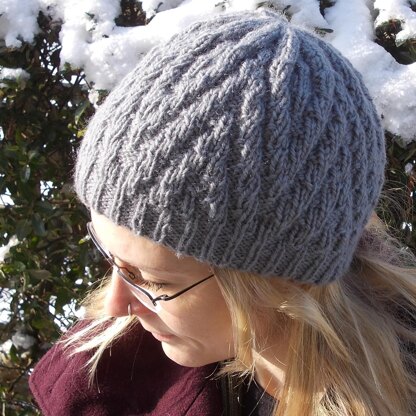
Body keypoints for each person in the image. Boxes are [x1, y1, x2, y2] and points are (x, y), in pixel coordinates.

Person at [29, 10, 416, 416]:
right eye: (112, 259)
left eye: (155, 281)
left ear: (279, 280)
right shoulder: (109, 374)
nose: (114, 306)